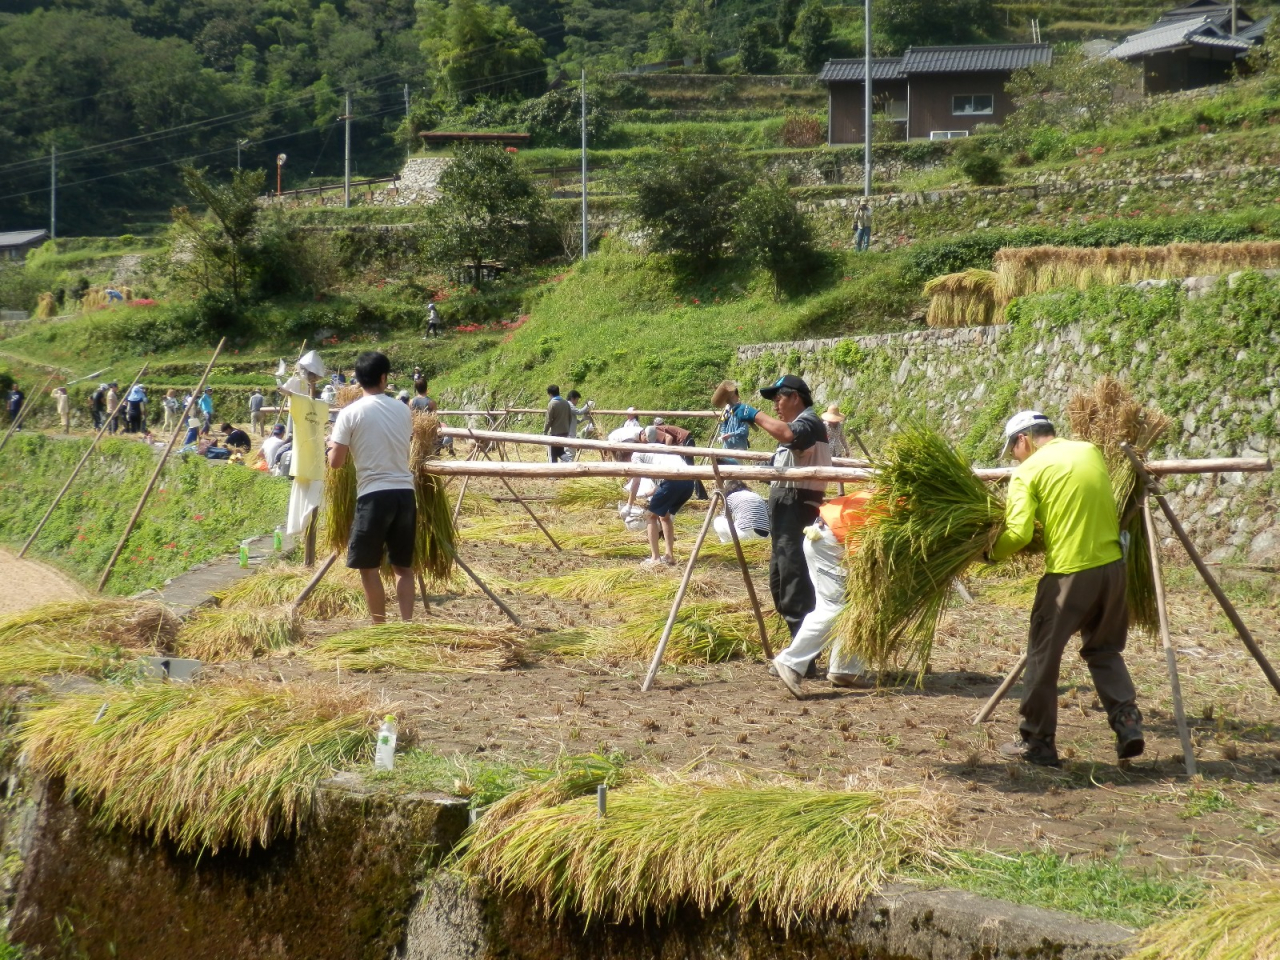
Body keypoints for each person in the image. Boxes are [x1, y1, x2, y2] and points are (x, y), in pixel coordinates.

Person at [989, 411, 1144, 768]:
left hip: (1068, 576)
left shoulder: (1027, 471)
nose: (1015, 456)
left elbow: (1019, 533)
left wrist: (990, 554)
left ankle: (1038, 744)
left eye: (1013, 449)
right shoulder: (1089, 451)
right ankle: (1127, 722)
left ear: (1023, 440)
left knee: (1043, 658)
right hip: (1114, 569)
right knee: (1104, 650)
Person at [730, 375, 831, 643]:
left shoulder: (808, 424)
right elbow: (784, 464)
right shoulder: (798, 427)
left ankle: (802, 657)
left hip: (798, 508)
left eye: (778, 398)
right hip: (784, 509)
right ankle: (798, 650)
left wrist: (754, 414)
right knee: (780, 577)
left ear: (795, 397)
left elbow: (788, 435)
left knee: (794, 577)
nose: (775, 405)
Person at [327, 350, 416, 625]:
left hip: (374, 495)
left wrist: (330, 445)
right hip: (405, 493)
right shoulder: (403, 409)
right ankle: (407, 625)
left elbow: (336, 463)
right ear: (383, 378)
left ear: (358, 380)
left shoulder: (349, 413)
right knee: (403, 567)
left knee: (368, 567)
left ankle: (380, 628)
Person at [772, 491, 875, 698]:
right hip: (829, 542)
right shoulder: (898, 508)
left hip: (832, 537)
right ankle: (790, 662)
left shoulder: (902, 500)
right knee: (835, 605)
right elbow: (864, 541)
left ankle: (846, 669)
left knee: (855, 605)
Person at [624, 428, 695, 568]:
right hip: (688, 482)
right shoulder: (658, 448)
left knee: (650, 516)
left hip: (672, 481)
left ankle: (655, 559)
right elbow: (662, 484)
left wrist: (629, 505)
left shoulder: (636, 455)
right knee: (664, 517)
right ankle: (669, 556)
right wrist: (645, 495)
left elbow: (636, 480)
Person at [712, 381, 749, 454]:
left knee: (736, 464)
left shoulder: (744, 409)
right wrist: (722, 434)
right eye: (729, 398)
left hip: (739, 446)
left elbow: (744, 429)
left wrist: (731, 434)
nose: (730, 399)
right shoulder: (727, 410)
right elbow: (724, 425)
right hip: (727, 446)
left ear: (738, 396)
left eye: (732, 397)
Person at [544, 384, 572, 463]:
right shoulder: (566, 403)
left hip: (555, 432)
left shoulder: (552, 404)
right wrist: (568, 429)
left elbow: (548, 420)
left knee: (554, 453)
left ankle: (555, 471)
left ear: (550, 394)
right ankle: (567, 462)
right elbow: (570, 417)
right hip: (565, 431)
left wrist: (545, 431)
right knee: (559, 451)